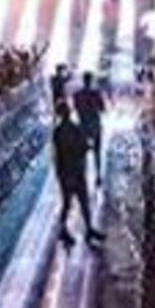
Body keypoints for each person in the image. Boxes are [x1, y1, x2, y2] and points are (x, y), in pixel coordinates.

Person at [52, 99, 103, 248]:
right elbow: (79, 147)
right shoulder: (73, 129)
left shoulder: (59, 131)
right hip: (74, 171)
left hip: (67, 173)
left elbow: (59, 155)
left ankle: (70, 229)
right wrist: (88, 147)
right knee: (79, 202)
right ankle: (85, 229)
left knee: (70, 203)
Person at [73, 70, 106, 182]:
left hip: (83, 126)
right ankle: (98, 174)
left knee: (82, 153)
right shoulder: (96, 94)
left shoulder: (77, 95)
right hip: (95, 125)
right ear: (91, 81)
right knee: (97, 151)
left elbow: (76, 108)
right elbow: (102, 108)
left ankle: (83, 175)